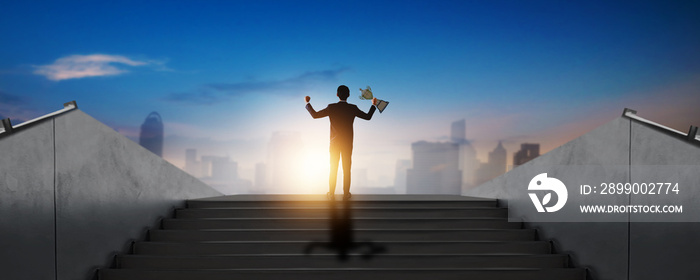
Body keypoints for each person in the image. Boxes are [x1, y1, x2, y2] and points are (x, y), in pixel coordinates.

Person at [305, 85, 377, 200]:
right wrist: (373, 105)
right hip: (347, 144)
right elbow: (368, 117)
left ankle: (331, 194)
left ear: (337, 95)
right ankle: (346, 194)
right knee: (346, 169)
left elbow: (315, 115)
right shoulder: (353, 108)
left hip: (334, 144)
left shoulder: (331, 107)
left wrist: (308, 103)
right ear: (348, 95)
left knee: (333, 168)